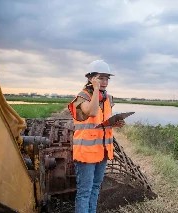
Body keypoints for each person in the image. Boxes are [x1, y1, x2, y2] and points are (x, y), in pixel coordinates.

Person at [68, 60, 125, 213]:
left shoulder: (107, 98)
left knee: (95, 189)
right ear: (91, 78)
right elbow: (92, 112)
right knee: (84, 192)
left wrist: (113, 124)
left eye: (107, 78)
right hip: (86, 154)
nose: (105, 82)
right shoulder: (82, 97)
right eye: (101, 78)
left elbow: (100, 123)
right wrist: (95, 89)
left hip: (102, 151)